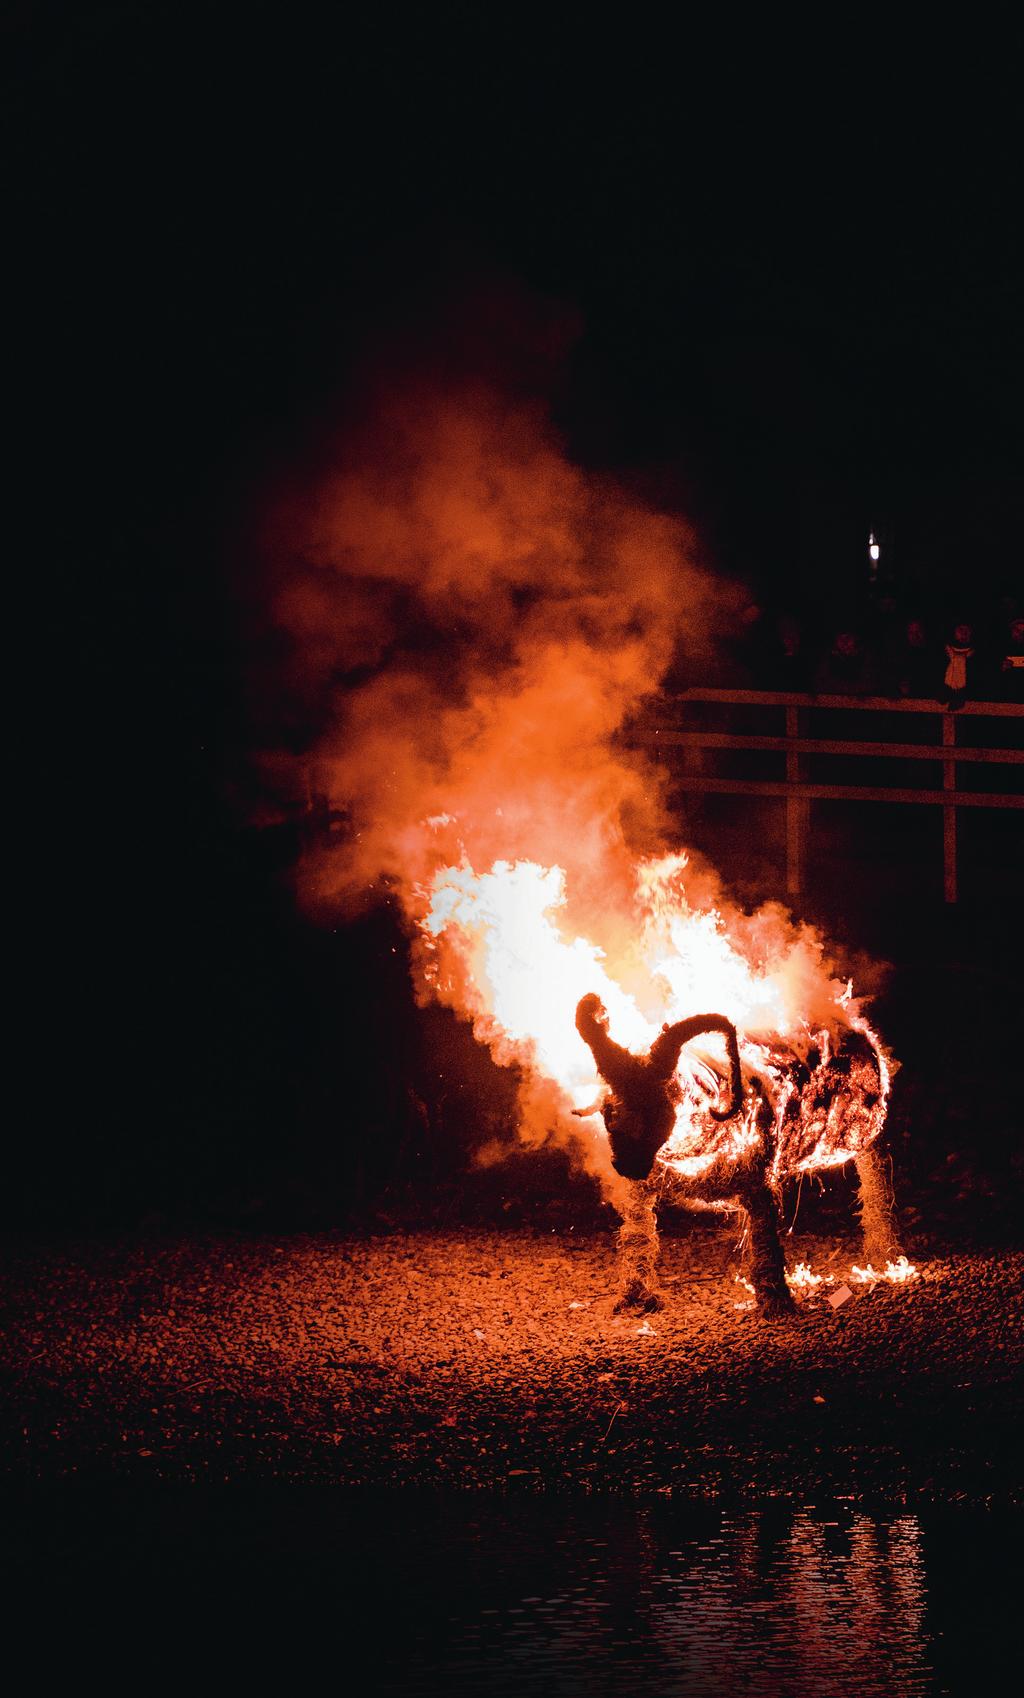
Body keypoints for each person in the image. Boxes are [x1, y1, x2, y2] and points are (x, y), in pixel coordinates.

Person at [943, 622, 975, 711]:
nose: (964, 633)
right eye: (960, 629)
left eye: (967, 630)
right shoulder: (942, 654)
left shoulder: (978, 657)